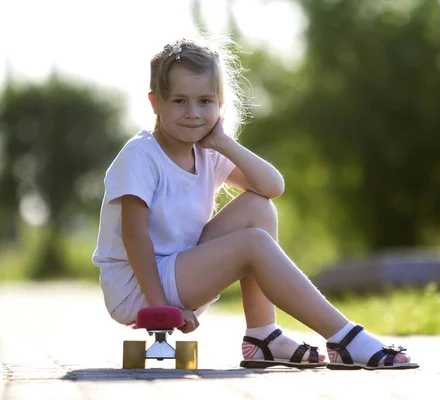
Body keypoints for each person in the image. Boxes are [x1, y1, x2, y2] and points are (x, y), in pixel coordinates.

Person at [92, 35, 418, 370]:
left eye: (205, 101)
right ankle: (344, 337)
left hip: (178, 270)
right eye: (179, 101)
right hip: (139, 289)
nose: (193, 113)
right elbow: (134, 237)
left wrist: (221, 141)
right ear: (155, 102)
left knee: (258, 208)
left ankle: (263, 336)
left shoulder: (205, 151)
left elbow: (272, 186)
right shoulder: (140, 156)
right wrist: (161, 310)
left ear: (220, 105)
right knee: (252, 244)